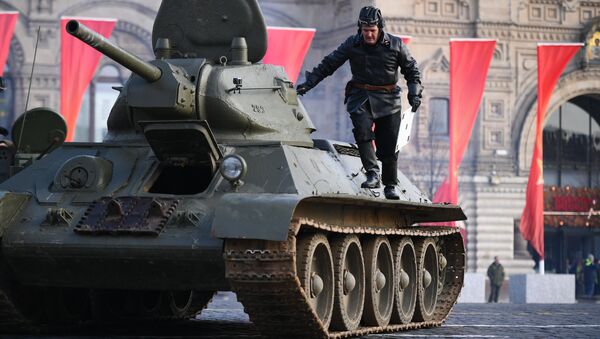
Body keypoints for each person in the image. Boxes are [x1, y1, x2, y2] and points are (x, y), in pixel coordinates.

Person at [296, 6, 423, 200]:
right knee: (362, 132)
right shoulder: (352, 44)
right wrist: (309, 83)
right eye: (365, 31)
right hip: (361, 96)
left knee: (388, 147)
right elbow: (329, 64)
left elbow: (412, 71)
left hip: (389, 99)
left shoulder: (396, 45)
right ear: (360, 29)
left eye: (372, 31)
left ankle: (390, 184)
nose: (369, 35)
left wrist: (414, 93)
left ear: (380, 28)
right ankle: (372, 173)